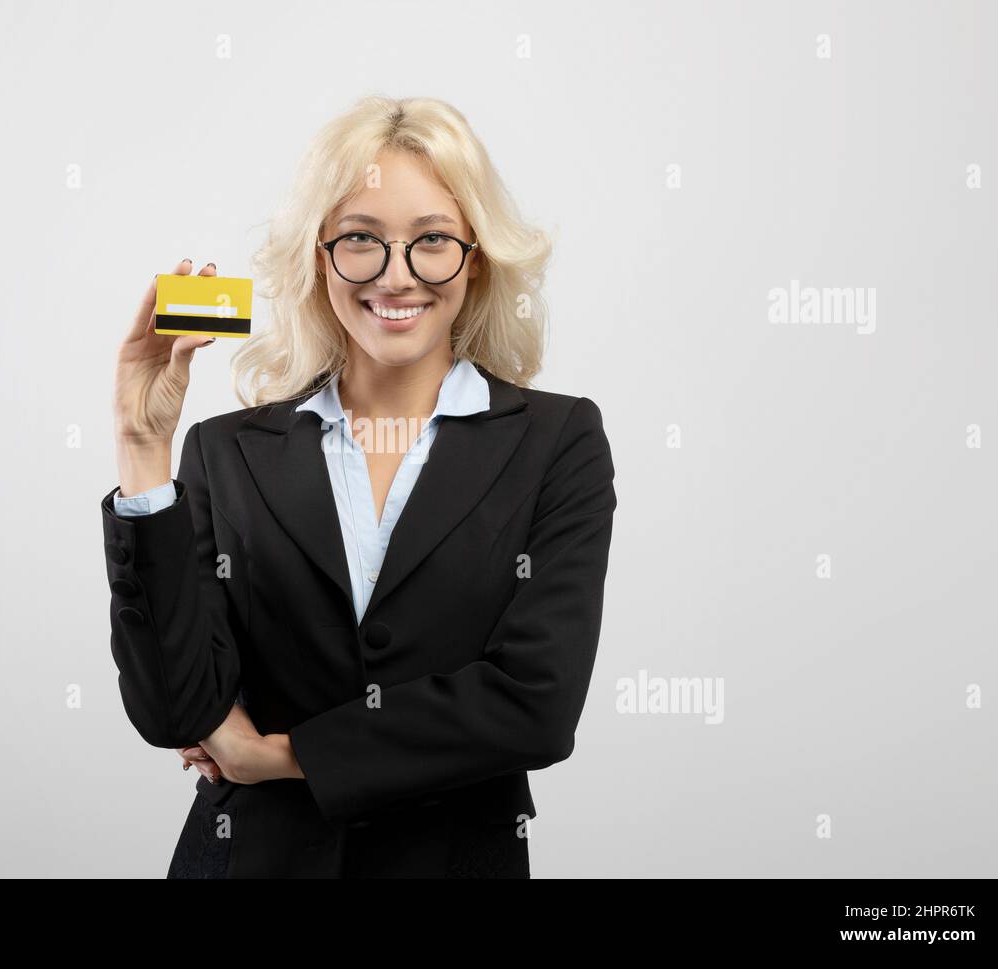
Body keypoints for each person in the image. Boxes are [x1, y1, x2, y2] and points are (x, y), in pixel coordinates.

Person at [102, 95, 616, 878]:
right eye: (361, 240)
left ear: (476, 257)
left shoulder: (557, 441)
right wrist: (144, 450)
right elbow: (175, 708)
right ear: (319, 256)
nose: (396, 274)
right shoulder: (225, 450)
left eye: (432, 240)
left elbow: (536, 706)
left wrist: (280, 754)